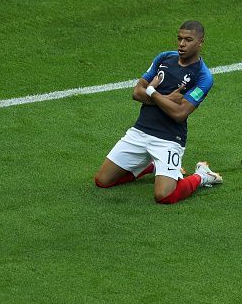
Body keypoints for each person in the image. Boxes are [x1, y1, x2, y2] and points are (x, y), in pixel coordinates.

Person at [94, 21, 222, 204]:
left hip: (168, 140)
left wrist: (153, 92)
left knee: (164, 196)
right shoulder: (164, 58)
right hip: (140, 132)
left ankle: (202, 176)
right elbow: (137, 92)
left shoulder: (203, 77)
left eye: (188, 40)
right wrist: (167, 99)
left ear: (200, 42)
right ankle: (150, 166)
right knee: (102, 181)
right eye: (179, 39)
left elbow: (179, 114)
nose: (181, 44)